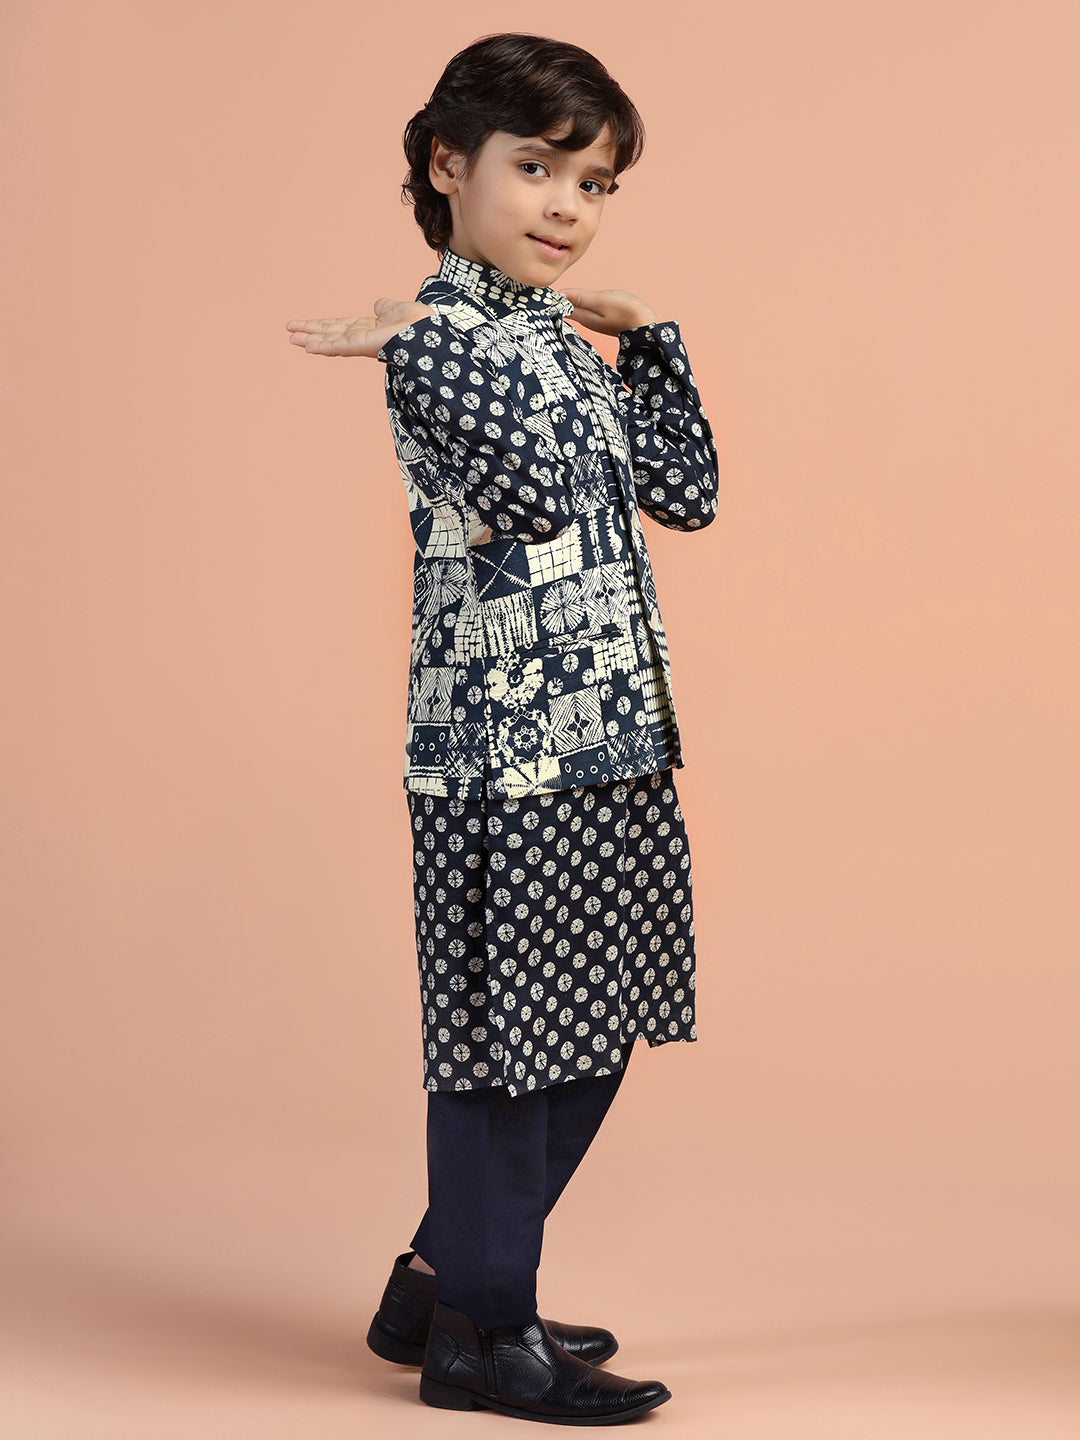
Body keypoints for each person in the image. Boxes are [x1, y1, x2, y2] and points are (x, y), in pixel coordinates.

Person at [286, 31, 718, 1425]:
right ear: (447, 164)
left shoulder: (557, 336)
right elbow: (529, 499)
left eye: (594, 184)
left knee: (598, 1018)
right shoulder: (437, 340)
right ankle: (483, 1332)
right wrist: (423, 345)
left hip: (614, 734)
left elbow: (688, 494)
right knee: (502, 1049)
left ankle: (446, 1280)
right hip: (499, 747)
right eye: (536, 168)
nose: (567, 207)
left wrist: (648, 340)